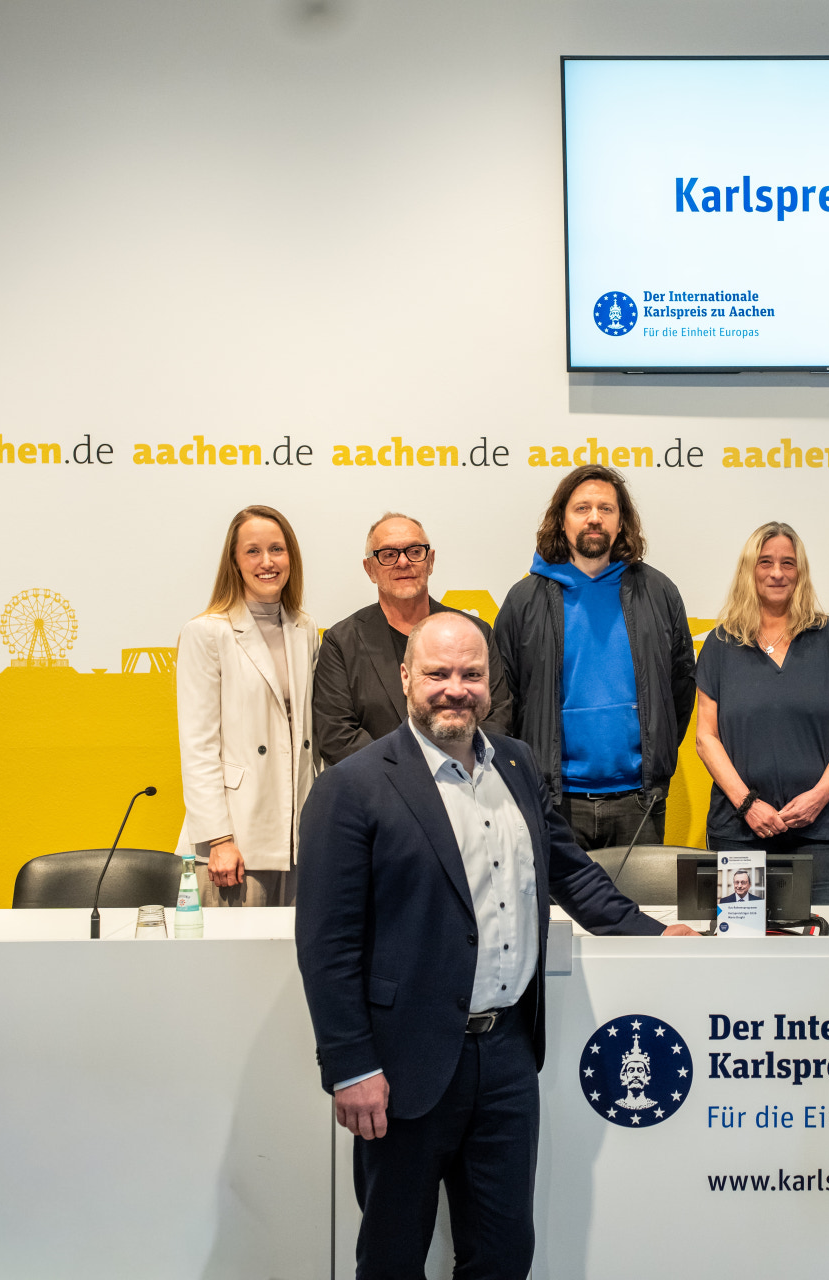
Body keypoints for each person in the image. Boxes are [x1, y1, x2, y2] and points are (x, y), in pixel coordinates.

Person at [295, 612, 696, 1278]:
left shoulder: (517, 762)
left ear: (489, 681)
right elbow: (326, 943)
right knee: (393, 1256)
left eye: (471, 674)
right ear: (405, 678)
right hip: (405, 1065)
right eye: (438, 673)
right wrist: (350, 1065)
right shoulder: (352, 787)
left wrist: (652, 934)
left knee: (504, 1254)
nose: (456, 688)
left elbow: (568, 870)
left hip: (508, 1057)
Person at [493, 466, 696, 850]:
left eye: (606, 508)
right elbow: (505, 697)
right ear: (562, 520)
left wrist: (657, 754)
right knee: (556, 913)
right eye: (581, 508)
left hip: (639, 802)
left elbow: (680, 688)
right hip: (554, 801)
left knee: (640, 910)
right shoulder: (524, 599)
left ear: (621, 522)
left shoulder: (658, 592)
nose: (594, 518)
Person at [695, 522, 829, 905]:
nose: (777, 572)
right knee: (743, 951)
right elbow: (705, 739)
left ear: (800, 572)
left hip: (823, 833)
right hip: (740, 829)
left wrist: (819, 798)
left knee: (824, 946)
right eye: (766, 562)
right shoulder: (720, 644)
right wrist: (747, 804)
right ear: (749, 569)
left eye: (788, 563)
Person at [174, 505, 319, 906]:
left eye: (277, 549)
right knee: (228, 966)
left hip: (297, 836)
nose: (267, 562)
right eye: (253, 551)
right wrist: (219, 839)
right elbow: (198, 746)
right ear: (234, 563)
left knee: (292, 966)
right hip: (234, 841)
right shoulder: (206, 633)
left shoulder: (305, 629)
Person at [314, 512, 512, 767]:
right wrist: (408, 775)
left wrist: (451, 769)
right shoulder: (341, 642)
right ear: (370, 569)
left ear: (430, 561)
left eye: (414, 551)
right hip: (378, 793)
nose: (403, 562)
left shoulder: (475, 632)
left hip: (464, 785)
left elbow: (497, 715)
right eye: (388, 555)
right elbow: (336, 735)